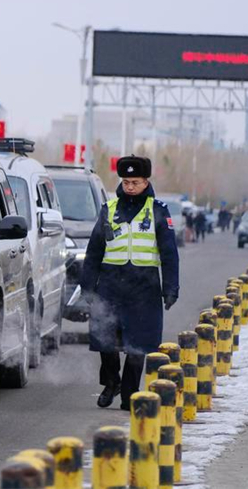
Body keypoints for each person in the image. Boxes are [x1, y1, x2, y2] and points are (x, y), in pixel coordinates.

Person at [80, 155, 180, 411]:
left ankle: (129, 392)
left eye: (135, 182)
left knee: (139, 345)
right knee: (106, 340)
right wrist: (87, 288)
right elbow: (93, 252)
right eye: (126, 182)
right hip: (111, 287)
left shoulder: (158, 210)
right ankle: (111, 381)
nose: (130, 187)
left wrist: (170, 288)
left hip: (144, 289)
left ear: (146, 181)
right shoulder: (109, 209)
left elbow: (169, 253)